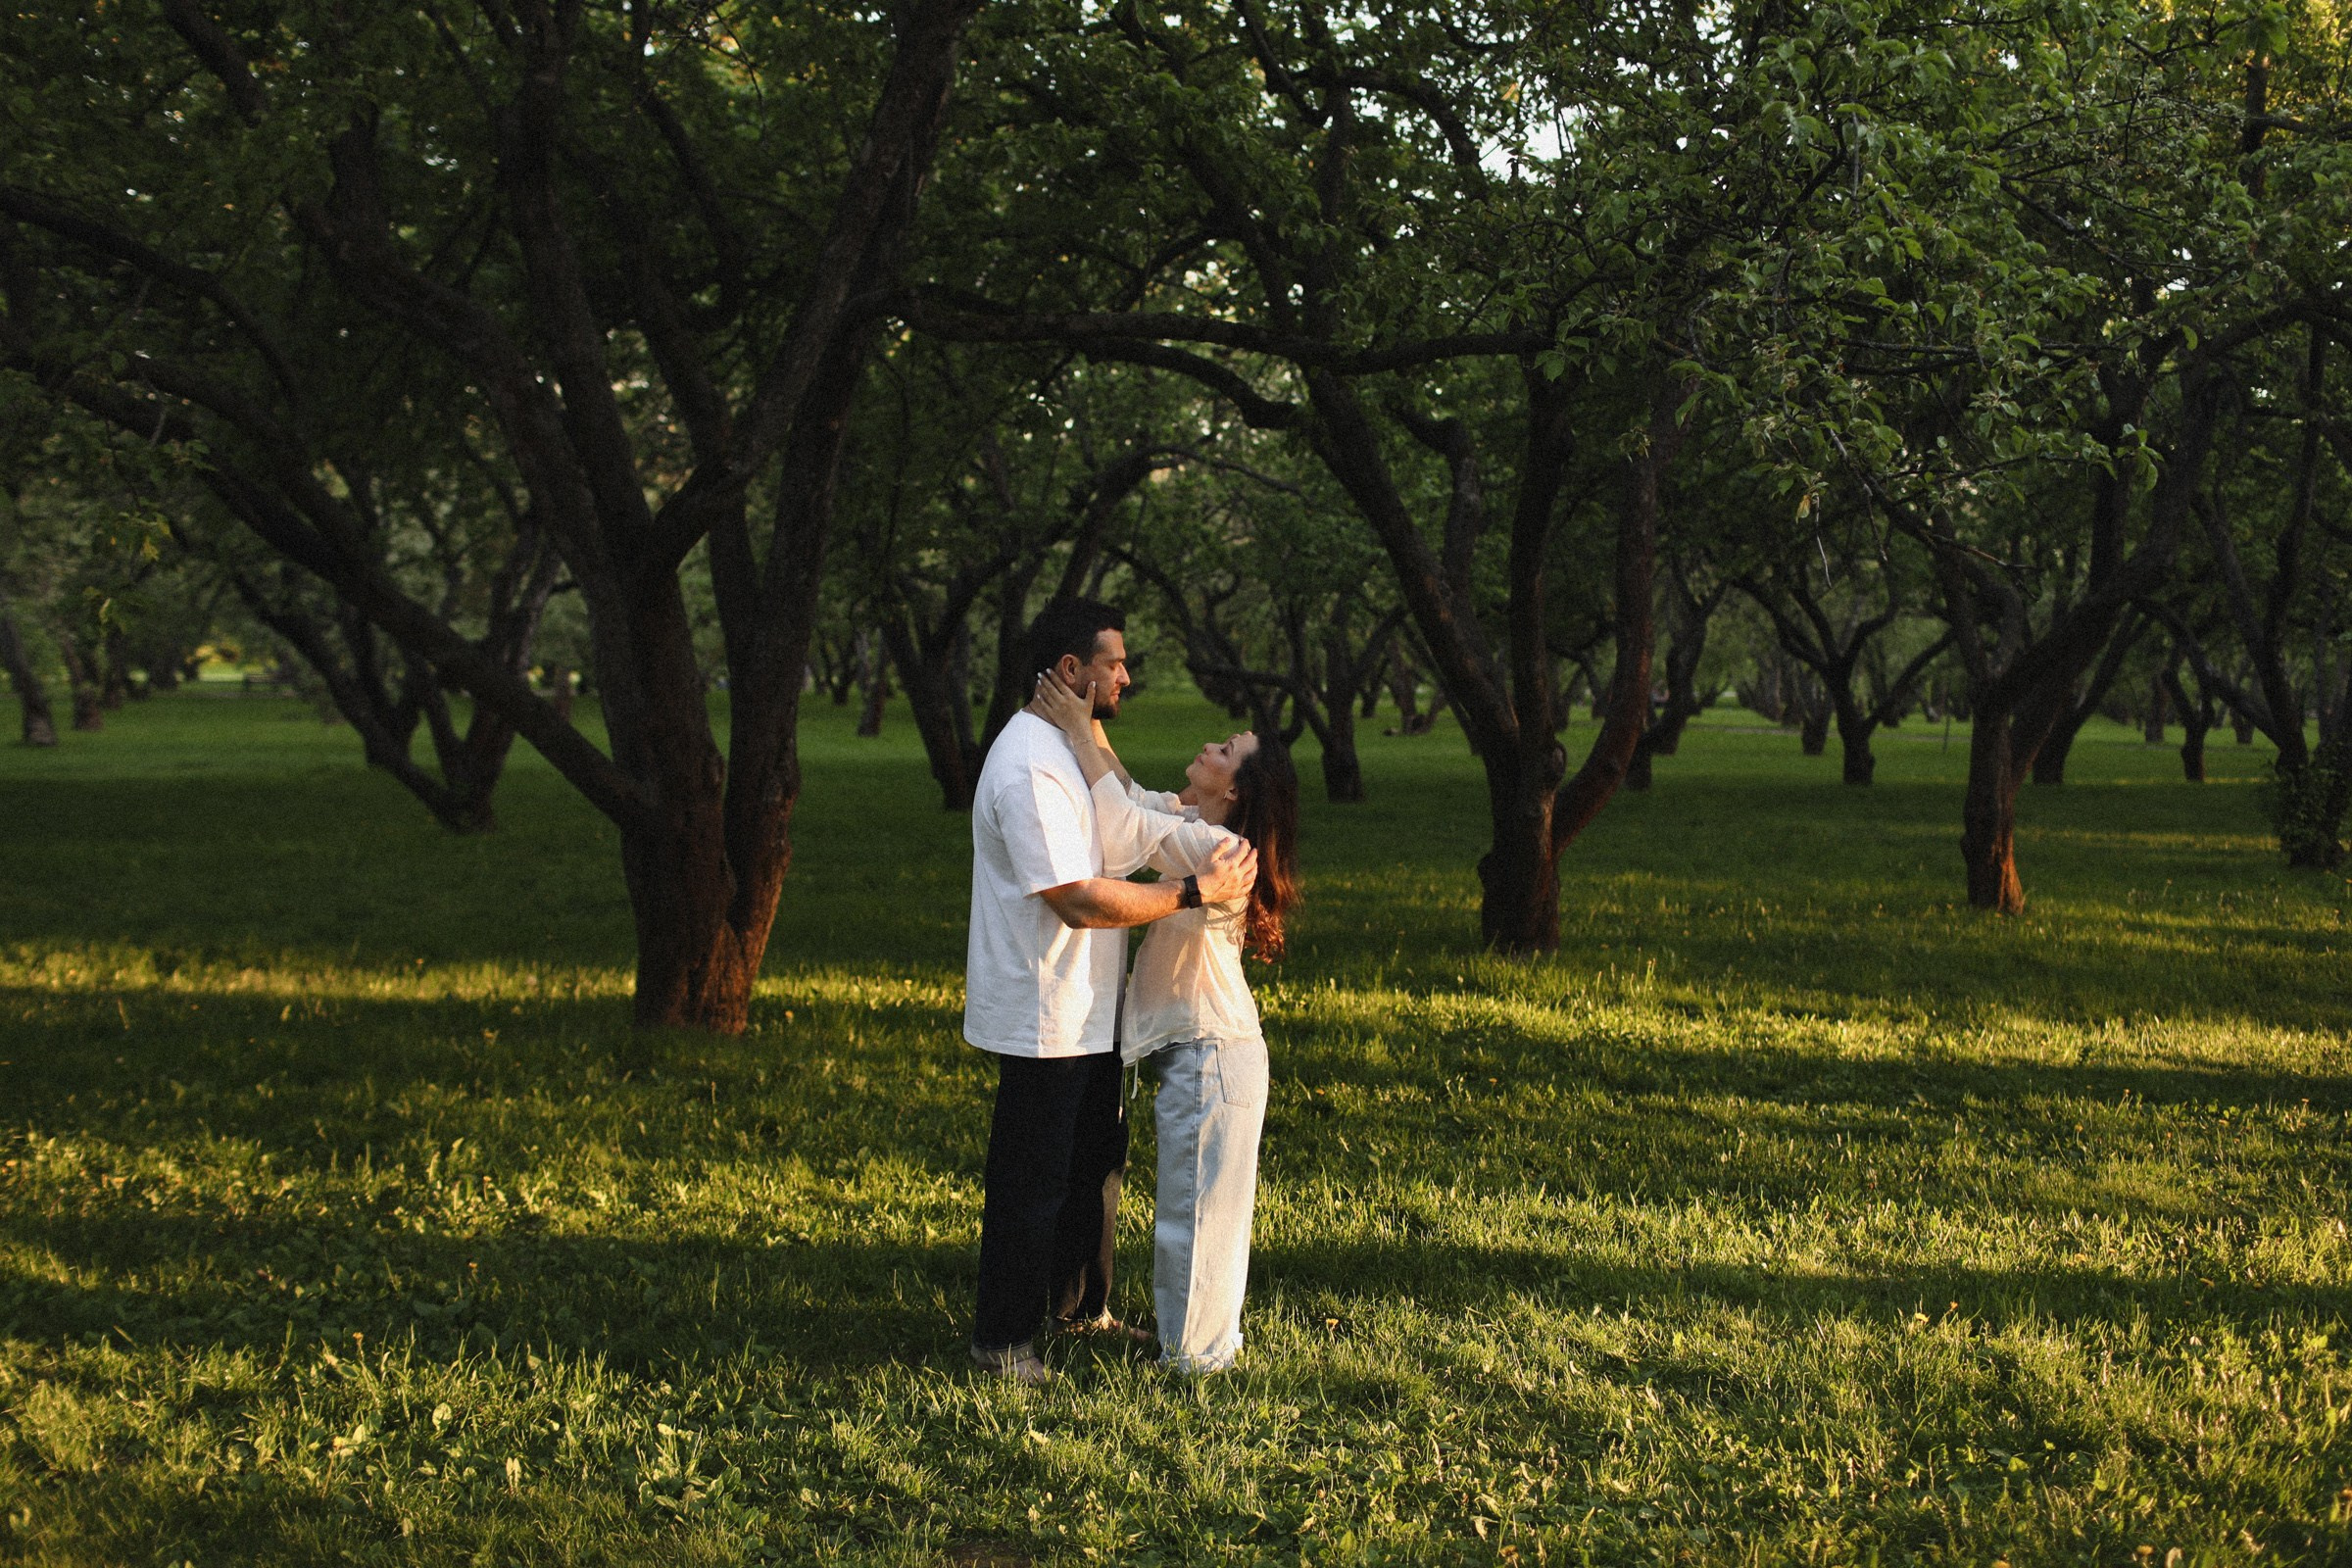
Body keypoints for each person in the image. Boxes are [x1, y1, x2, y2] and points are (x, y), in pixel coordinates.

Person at [964, 599, 1258, 1386]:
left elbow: (1126, 806)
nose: (1127, 676)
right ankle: (1002, 1343)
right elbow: (1076, 899)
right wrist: (1190, 893)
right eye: (1114, 664)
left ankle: (1078, 1309)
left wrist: (1090, 731)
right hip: (1044, 1010)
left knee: (1093, 1169)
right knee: (1032, 1183)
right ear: (1072, 670)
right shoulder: (1030, 765)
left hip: (1092, 1009)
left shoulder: (1067, 746)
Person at [1034, 673, 1299, 1375]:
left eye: (1225, 750)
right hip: (1209, 1051)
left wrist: (1075, 728)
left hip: (1212, 1052)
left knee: (1198, 1213)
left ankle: (1197, 1361)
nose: (1210, 746)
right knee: (1202, 1206)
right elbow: (1130, 796)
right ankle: (1201, 1349)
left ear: (1234, 790)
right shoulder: (1197, 830)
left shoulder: (1215, 849)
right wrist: (1089, 720)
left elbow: (1120, 823)